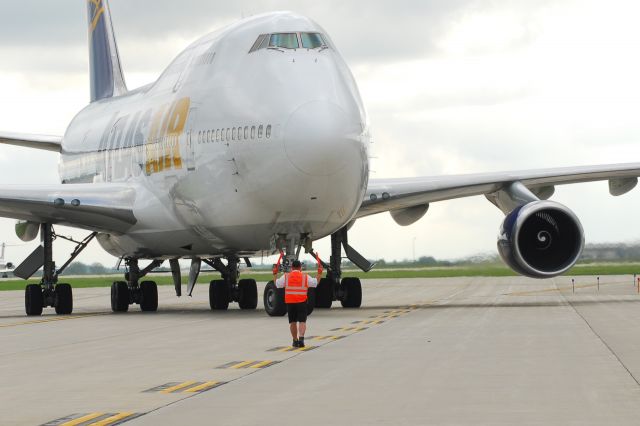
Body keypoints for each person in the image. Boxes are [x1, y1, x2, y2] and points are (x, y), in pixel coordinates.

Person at [275, 259, 321, 348]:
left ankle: (295, 341)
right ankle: (301, 339)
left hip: (290, 302)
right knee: (302, 321)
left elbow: (277, 284)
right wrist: (319, 273)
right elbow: (316, 283)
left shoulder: (286, 276)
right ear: (300, 268)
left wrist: (275, 274)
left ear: (291, 268)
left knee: (292, 322)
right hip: (301, 302)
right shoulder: (305, 277)